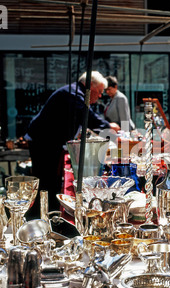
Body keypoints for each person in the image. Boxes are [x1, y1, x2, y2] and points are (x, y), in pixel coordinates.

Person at [25, 71, 120, 218]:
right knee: (46, 182)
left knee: (50, 181)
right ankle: (41, 216)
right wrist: (108, 125)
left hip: (47, 141)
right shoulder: (74, 94)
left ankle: (47, 212)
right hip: (43, 142)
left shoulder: (76, 93)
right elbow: (86, 115)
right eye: (99, 91)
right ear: (90, 86)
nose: (100, 96)